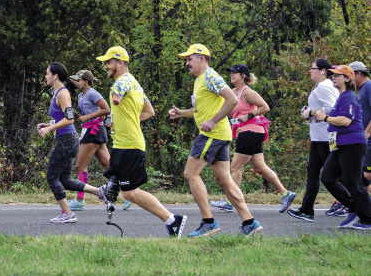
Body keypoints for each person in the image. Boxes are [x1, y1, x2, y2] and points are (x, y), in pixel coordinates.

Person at [169, 44, 262, 238]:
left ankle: (209, 222)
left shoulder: (210, 76)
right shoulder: (199, 80)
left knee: (190, 174)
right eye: (186, 60)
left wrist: (213, 121)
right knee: (225, 181)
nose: (186, 63)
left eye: (189, 59)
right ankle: (250, 222)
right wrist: (180, 113)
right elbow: (198, 111)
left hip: (213, 134)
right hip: (221, 135)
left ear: (202, 58)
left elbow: (232, 100)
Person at [95, 46, 187, 238]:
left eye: (108, 62)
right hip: (126, 143)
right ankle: (171, 220)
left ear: (120, 62)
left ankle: (172, 220)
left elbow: (117, 98)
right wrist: (127, 120)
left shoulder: (122, 81)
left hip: (128, 145)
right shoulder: (135, 84)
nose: (105, 66)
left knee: (131, 192)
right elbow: (149, 111)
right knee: (127, 192)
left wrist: (115, 99)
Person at [210, 64, 296, 213]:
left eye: (234, 73)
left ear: (243, 75)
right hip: (248, 131)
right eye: (230, 73)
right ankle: (285, 194)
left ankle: (230, 201)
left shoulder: (247, 92)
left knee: (236, 167)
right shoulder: (232, 92)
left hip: (251, 130)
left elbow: (265, 107)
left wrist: (248, 115)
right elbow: (226, 110)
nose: (231, 75)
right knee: (259, 167)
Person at [37, 62, 111, 223]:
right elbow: (62, 117)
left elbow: (70, 120)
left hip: (67, 141)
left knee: (52, 177)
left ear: (55, 76)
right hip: (66, 140)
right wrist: (48, 125)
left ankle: (68, 214)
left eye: (47, 73)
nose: (46, 76)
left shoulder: (62, 93)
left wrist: (51, 129)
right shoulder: (57, 92)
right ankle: (100, 192)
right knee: (64, 181)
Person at [314, 65, 371, 229]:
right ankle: (353, 207)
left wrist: (325, 118)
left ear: (347, 78)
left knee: (353, 181)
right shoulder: (342, 96)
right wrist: (323, 117)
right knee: (327, 177)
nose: (333, 77)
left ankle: (367, 219)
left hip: (353, 144)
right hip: (340, 144)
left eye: (337, 75)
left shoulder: (349, 96)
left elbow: (346, 120)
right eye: (332, 74)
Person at [287, 60, 340, 222]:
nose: (310, 71)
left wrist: (310, 112)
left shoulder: (324, 87)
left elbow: (332, 108)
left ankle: (351, 204)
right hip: (318, 137)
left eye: (313, 68)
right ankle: (307, 210)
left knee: (334, 175)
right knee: (312, 173)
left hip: (325, 137)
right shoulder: (322, 86)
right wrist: (309, 111)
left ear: (323, 70)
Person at [66, 69, 114, 210]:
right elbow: (84, 114)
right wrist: (74, 114)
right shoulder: (81, 95)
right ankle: (130, 191)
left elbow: (107, 109)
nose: (76, 82)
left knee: (80, 166)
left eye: (78, 80)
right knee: (109, 166)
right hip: (92, 131)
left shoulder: (92, 93)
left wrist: (87, 117)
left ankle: (80, 199)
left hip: (94, 131)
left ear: (86, 82)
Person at [350, 61, 371, 195]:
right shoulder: (362, 90)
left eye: (351, 76)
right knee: (363, 174)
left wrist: (367, 131)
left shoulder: (369, 87)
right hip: (363, 138)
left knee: (367, 174)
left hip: (368, 137)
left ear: (359, 73)